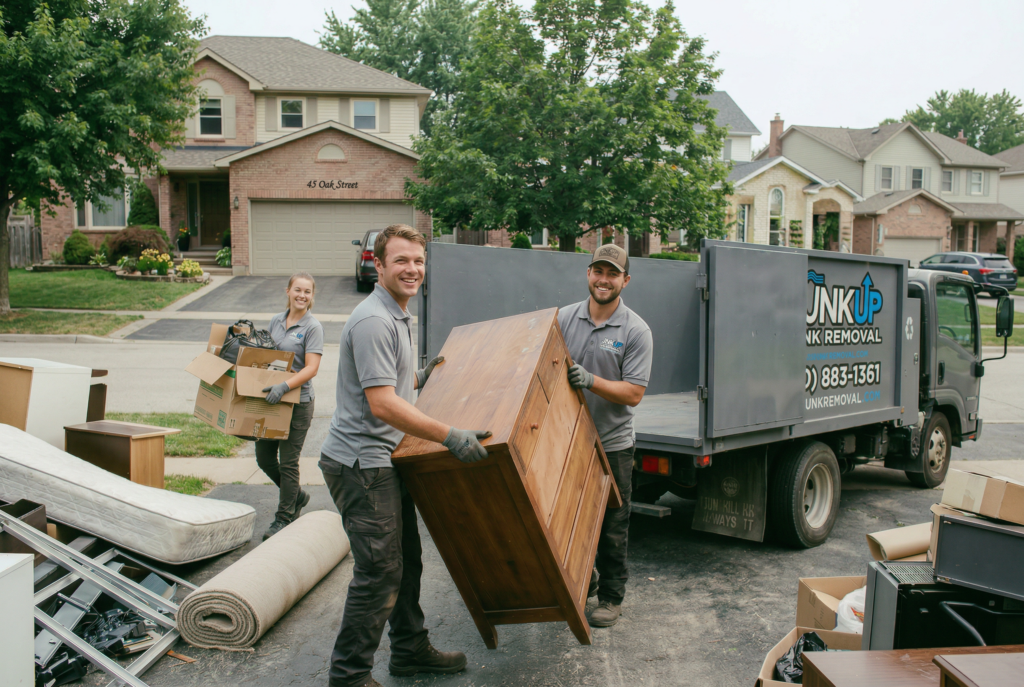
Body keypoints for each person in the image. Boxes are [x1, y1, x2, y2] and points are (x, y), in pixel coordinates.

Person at [320, 224, 491, 687]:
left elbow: (388, 385)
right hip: (362, 465)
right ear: (378, 265)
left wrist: (418, 377)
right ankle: (349, 676)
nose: (412, 269)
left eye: (418, 261)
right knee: (379, 573)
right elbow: (381, 404)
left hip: (385, 459)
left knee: (406, 561)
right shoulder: (375, 320)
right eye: (401, 260)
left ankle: (410, 650)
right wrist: (450, 436)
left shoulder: (396, 313)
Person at [557, 243, 653, 628]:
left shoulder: (635, 330)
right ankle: (587, 578)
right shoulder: (563, 318)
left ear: (625, 281)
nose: (604, 279)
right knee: (568, 519)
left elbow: (634, 393)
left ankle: (611, 597)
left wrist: (591, 380)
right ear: (588, 274)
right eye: (598, 271)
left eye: (613, 274)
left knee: (612, 525)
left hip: (612, 444)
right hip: (568, 440)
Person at [256, 271, 324, 540]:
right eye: (298, 290)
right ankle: (297, 495)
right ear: (288, 291)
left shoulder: (313, 327)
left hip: (298, 402)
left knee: (288, 462)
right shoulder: (276, 320)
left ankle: (284, 517)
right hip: (273, 400)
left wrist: (284, 386)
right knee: (263, 458)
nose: (302, 295)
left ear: (312, 296)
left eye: (307, 291)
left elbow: (312, 368)